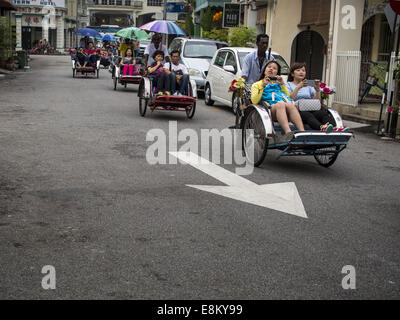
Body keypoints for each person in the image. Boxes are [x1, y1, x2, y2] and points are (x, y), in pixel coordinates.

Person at [286, 62, 349, 132]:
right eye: (298, 70)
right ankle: (321, 128)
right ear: (292, 74)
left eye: (303, 70)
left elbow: (317, 101)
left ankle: (335, 128)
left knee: (323, 114)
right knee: (308, 115)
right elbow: (289, 98)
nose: (301, 72)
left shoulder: (308, 85)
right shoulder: (288, 85)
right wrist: (298, 87)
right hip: (297, 110)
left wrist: (317, 90)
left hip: (311, 108)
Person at [251, 61, 305, 142]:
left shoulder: (279, 84)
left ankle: (302, 132)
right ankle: (288, 133)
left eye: (274, 68)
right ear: (265, 70)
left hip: (285, 109)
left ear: (277, 73)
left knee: (289, 104)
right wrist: (262, 86)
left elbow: (289, 97)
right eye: (269, 67)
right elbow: (254, 101)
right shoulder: (257, 84)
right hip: (269, 109)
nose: (271, 69)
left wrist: (282, 85)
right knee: (281, 104)